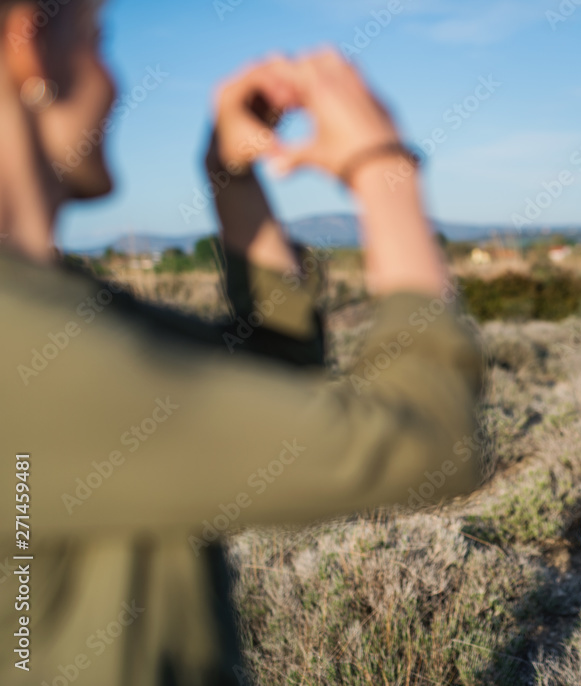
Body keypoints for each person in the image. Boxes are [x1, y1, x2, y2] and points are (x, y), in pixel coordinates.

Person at [0, 1, 483, 684]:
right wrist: (383, 168)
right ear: (30, 43)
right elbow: (430, 441)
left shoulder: (46, 310)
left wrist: (233, 179)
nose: (116, 83)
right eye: (98, 42)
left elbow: (272, 383)